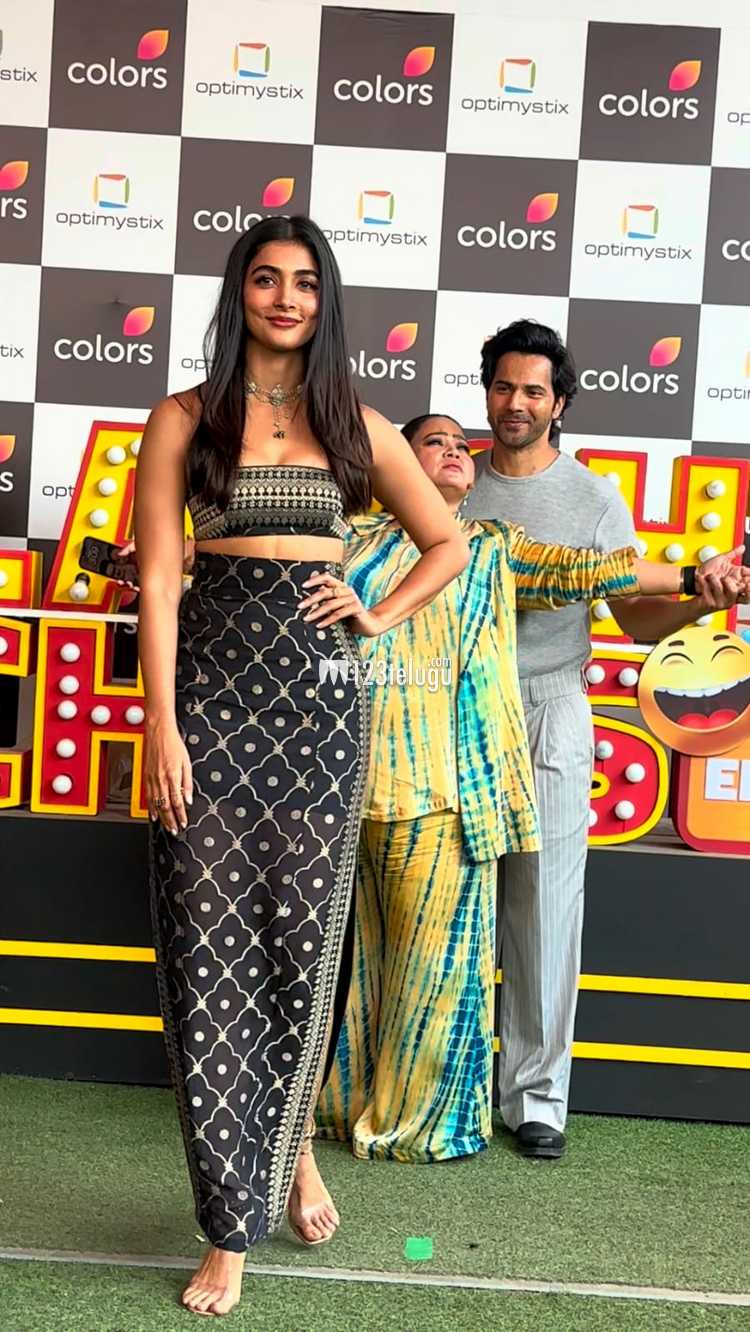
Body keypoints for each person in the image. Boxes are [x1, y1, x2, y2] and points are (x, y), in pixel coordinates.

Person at [133, 216, 469, 1316]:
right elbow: (162, 582)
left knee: (296, 949)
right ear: (240, 292)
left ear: (326, 303)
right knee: (208, 957)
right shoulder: (185, 418)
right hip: (212, 698)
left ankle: (288, 1155)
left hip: (319, 707)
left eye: (307, 283)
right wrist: (162, 724)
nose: (286, 297)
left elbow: (448, 542)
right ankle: (229, 1227)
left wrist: (376, 614)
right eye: (268, 279)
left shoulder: (354, 423)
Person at [314, 414, 746, 1165]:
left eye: (460, 444)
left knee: (446, 959)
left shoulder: (490, 545)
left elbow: (592, 570)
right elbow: (261, 561)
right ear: (394, 464)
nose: (455, 452)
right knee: (366, 959)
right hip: (357, 779)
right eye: (433, 443)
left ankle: (431, 1119)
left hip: (452, 784)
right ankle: (352, 1100)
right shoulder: (349, 538)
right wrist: (158, 558)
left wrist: (690, 579)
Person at [462, 319, 749, 1161]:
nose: (517, 403)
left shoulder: (592, 499)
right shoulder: (449, 483)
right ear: (488, 392)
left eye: (534, 391)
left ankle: (536, 1100)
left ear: (559, 403)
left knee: (546, 909)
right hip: (457, 709)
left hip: (551, 706)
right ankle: (446, 1087)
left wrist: (701, 598)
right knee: (452, 907)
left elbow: (635, 617)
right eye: (504, 387)